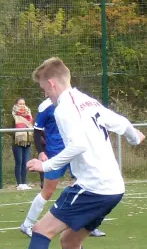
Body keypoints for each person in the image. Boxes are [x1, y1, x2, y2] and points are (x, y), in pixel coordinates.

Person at [0, 57, 144, 249]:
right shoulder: (87, 101)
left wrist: (46, 164)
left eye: (43, 89)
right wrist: (136, 137)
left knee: (41, 231)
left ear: (52, 83)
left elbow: (78, 146)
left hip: (93, 186)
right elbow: (120, 122)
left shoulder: (63, 108)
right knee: (70, 242)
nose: (45, 95)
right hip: (113, 187)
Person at [19, 99, 106, 238]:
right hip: (56, 154)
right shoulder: (46, 106)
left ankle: (88, 225)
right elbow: (37, 131)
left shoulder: (74, 100)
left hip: (75, 152)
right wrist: (41, 151)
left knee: (88, 186)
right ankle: (27, 224)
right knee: (48, 191)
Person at [11, 98, 34, 191]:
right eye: (20, 104)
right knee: (19, 163)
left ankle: (24, 182)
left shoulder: (29, 114)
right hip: (17, 141)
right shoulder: (13, 115)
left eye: (23, 104)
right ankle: (19, 183)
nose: (22, 106)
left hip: (27, 140)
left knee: (25, 163)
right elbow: (10, 128)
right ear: (16, 105)